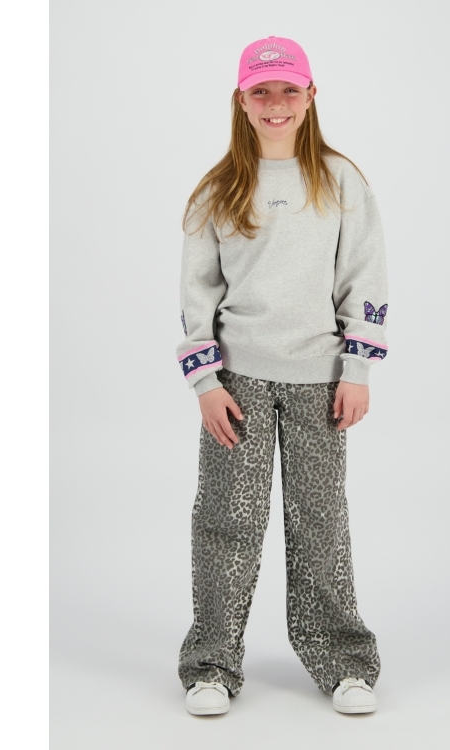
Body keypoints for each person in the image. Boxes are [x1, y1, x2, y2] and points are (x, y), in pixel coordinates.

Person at [174, 35, 388, 717]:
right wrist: (206, 383)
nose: (275, 103)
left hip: (319, 383)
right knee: (226, 523)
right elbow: (196, 295)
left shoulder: (340, 181)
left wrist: (356, 369)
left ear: (310, 95)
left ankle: (343, 661)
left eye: (288, 90)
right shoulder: (218, 190)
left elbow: (363, 277)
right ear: (241, 100)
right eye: (261, 91)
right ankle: (211, 665)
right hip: (237, 383)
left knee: (320, 521)